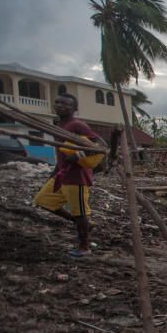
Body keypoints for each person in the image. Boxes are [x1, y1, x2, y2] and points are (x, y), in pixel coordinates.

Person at [33, 93, 105, 258]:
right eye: (57, 102)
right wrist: (53, 175)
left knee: (80, 213)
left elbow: (101, 145)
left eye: (65, 104)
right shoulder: (59, 125)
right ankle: (84, 224)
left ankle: (84, 246)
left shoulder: (77, 125)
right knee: (42, 200)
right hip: (62, 174)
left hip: (76, 178)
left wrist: (79, 155)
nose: (59, 105)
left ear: (74, 108)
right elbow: (61, 157)